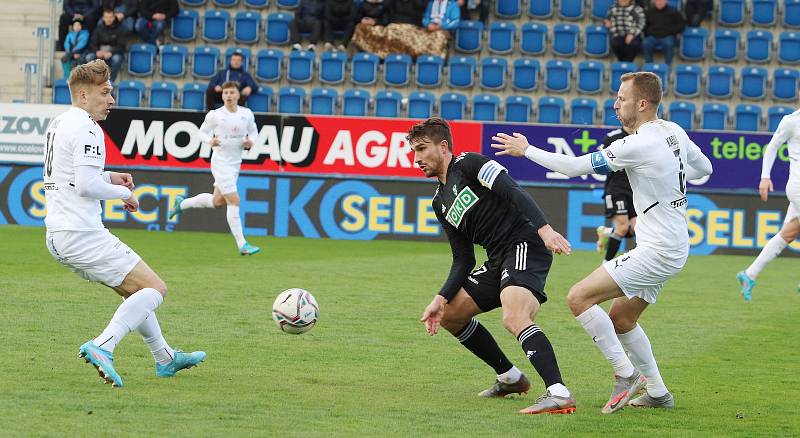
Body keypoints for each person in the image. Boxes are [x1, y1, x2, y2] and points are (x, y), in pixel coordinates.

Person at [492, 72, 713, 413]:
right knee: (622, 319)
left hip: (658, 251)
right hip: (673, 246)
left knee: (578, 297)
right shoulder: (674, 131)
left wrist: (527, 150)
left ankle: (626, 375)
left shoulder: (637, 143)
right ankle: (658, 393)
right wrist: (670, 180)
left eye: (622, 98)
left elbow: (574, 167)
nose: (616, 103)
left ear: (642, 104)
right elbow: (705, 169)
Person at [43, 60, 205, 388]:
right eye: (105, 93)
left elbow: (75, 178)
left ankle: (165, 358)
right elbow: (87, 187)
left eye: (111, 92)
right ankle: (103, 346)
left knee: (132, 291)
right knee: (154, 289)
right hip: (81, 232)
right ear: (84, 95)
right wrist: (121, 193)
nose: (111, 99)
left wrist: (109, 176)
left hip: (59, 233)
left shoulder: (59, 123)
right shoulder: (88, 127)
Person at [411, 117, 576, 415]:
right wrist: (440, 297)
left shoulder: (470, 164)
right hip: (497, 258)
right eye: (414, 152)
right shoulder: (440, 201)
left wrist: (545, 230)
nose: (417, 158)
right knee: (450, 315)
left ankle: (559, 393)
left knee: (514, 316)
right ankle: (511, 379)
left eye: (422, 149)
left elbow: (513, 191)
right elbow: (463, 258)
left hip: (524, 243)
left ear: (443, 146)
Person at [170, 82, 261, 256]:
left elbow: (254, 131)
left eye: (232, 92)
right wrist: (210, 141)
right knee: (234, 200)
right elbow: (201, 133)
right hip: (220, 163)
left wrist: (251, 141)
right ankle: (243, 245)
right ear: (222, 95)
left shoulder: (246, 114)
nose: (228, 95)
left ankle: (182, 204)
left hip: (235, 163)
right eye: (225, 92)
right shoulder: (215, 115)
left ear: (237, 95)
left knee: (217, 202)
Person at [736, 108, 800, 301]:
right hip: (798, 187)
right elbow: (773, 146)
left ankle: (749, 274)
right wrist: (765, 177)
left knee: (788, 234)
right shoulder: (792, 121)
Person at [595, 126, 637, 262]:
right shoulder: (613, 137)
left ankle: (606, 232)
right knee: (623, 227)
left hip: (636, 191)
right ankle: (605, 265)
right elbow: (598, 160)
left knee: (635, 230)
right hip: (616, 189)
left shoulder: (643, 136)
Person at [84, 9, 127, 83]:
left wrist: (111, 52)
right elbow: (92, 43)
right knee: (89, 57)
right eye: (106, 17)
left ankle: (110, 81)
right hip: (100, 52)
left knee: (116, 59)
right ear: (103, 18)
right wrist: (97, 51)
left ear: (114, 18)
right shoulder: (99, 28)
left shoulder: (120, 29)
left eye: (110, 17)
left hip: (114, 53)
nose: (108, 19)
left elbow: (122, 45)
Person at [642, 0, 685, 65]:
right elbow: (644, 25)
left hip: (667, 36)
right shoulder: (649, 11)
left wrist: (671, 32)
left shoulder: (674, 11)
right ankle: (649, 65)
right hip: (652, 36)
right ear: (654, 2)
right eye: (658, 1)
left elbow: (681, 25)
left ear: (666, 1)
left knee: (669, 43)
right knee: (645, 43)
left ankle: (668, 65)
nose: (659, 2)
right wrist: (649, 32)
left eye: (662, 1)